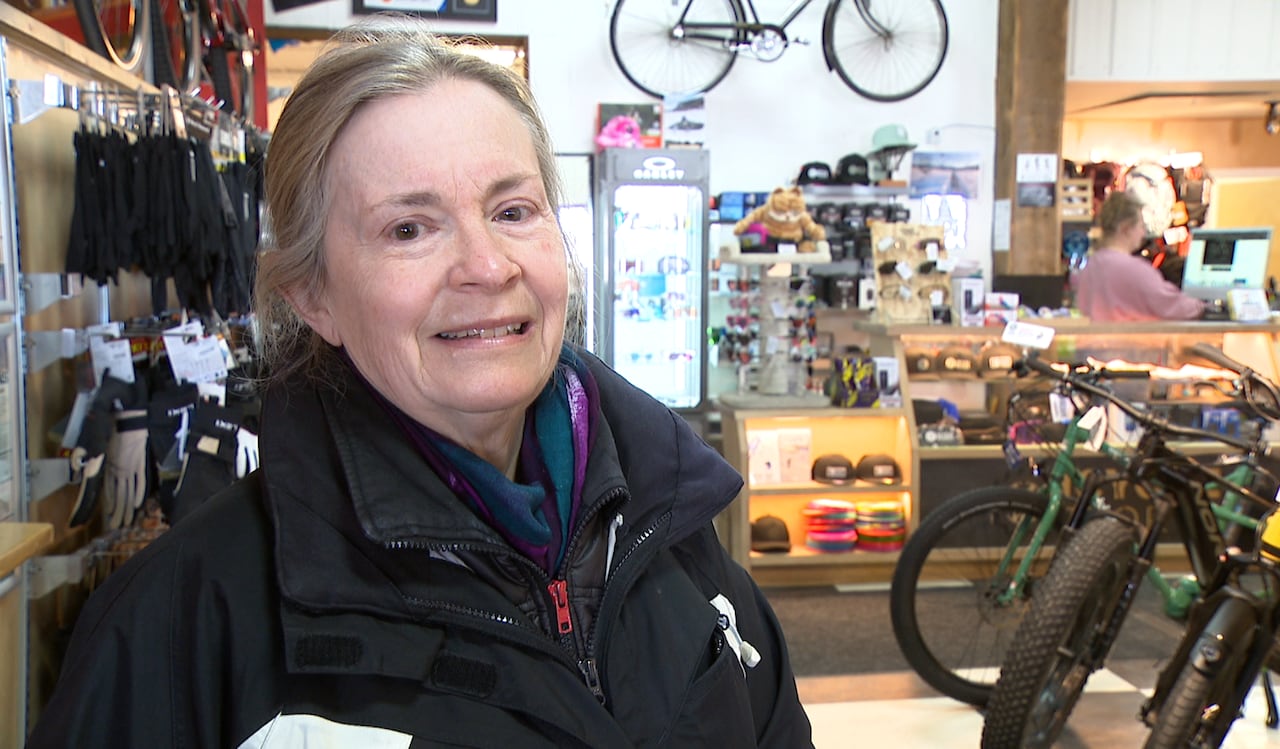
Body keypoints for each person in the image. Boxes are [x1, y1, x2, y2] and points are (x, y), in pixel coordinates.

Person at [26, 15, 812, 748]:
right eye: (410, 227)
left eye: (513, 210)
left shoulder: (666, 521)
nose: (487, 266)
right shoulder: (188, 620)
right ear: (313, 295)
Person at [1071, 191, 1205, 322]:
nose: (1143, 233)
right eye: (1141, 226)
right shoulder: (1135, 270)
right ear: (1126, 228)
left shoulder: (1088, 268)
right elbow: (1174, 306)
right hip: (1129, 343)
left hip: (1093, 343)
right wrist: (1203, 306)